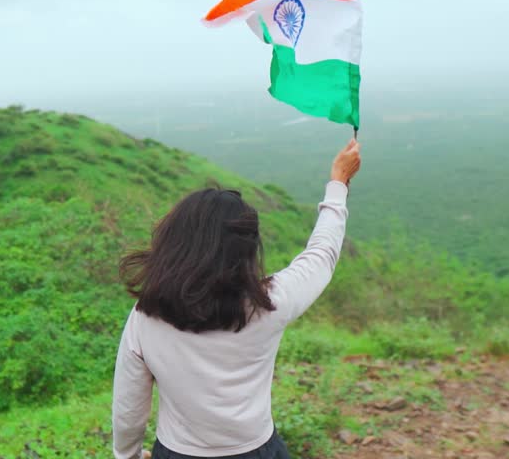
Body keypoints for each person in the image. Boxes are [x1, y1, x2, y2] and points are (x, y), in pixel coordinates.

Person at [112, 138, 362, 459]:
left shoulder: (147, 314)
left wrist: (127, 456)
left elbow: (128, 408)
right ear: (246, 250)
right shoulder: (270, 303)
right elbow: (321, 254)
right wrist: (338, 182)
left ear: (175, 241)